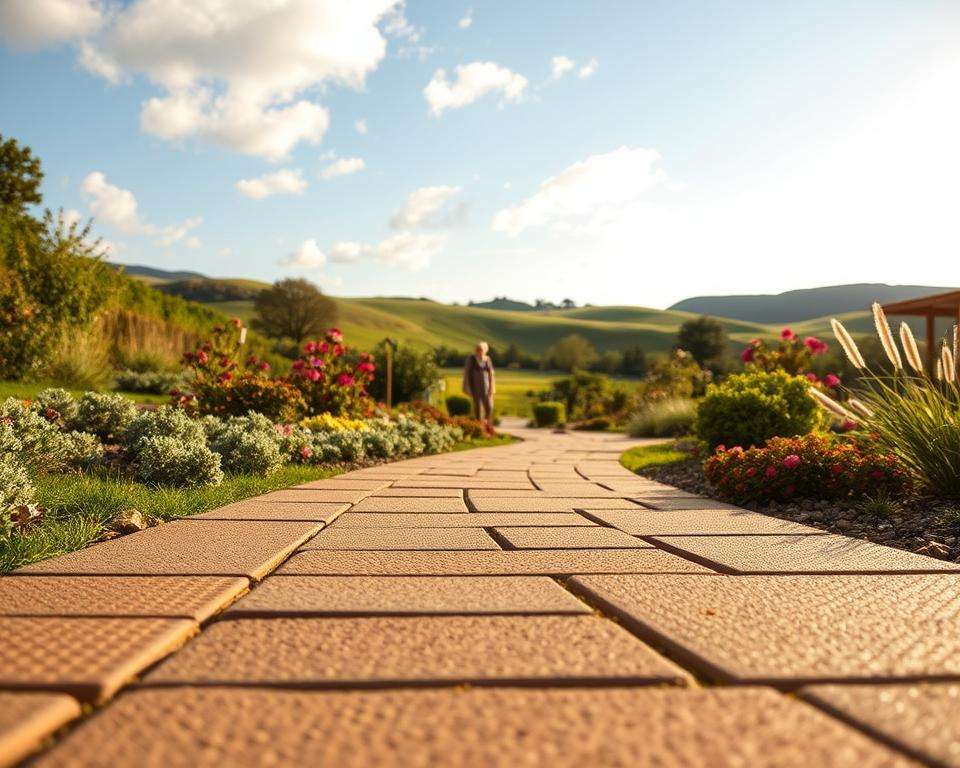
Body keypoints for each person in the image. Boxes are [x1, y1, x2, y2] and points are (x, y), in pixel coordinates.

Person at [462, 341, 495, 426]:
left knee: (489, 406)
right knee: (478, 408)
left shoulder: (487, 359)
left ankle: (487, 424)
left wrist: (491, 387)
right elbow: (467, 372)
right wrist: (467, 386)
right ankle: (479, 426)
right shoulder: (472, 359)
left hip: (486, 386)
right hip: (475, 387)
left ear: (485, 350)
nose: (479, 351)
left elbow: (491, 374)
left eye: (481, 350)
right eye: (477, 349)